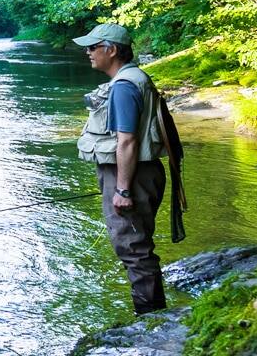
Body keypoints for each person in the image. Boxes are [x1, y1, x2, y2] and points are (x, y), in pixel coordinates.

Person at [74, 23, 169, 315]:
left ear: (111, 50)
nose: (88, 53)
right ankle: (153, 315)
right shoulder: (132, 79)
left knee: (134, 249)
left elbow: (126, 142)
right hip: (140, 174)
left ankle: (150, 321)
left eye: (93, 47)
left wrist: (123, 190)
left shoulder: (125, 87)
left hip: (132, 177)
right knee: (136, 246)